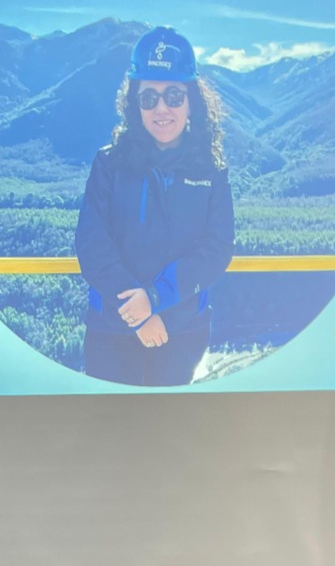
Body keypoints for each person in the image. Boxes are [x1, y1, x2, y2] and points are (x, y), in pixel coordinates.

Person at [74, 25, 235, 387]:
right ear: (135, 103)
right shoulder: (109, 164)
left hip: (182, 331)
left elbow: (217, 247)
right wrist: (140, 315)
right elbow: (92, 243)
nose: (162, 108)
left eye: (174, 95)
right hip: (112, 331)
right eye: (149, 98)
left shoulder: (211, 171)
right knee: (115, 423)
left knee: (169, 424)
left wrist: (156, 299)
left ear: (191, 100)